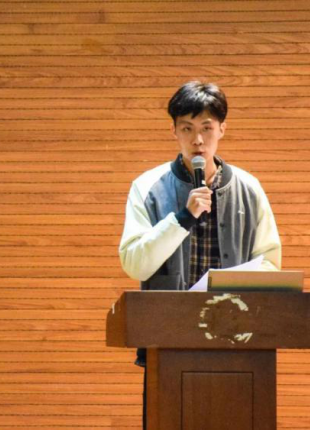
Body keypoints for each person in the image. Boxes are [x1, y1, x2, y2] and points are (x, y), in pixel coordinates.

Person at [118, 81, 281, 428]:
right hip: (169, 342)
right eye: (187, 129)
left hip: (235, 341)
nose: (198, 140)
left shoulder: (249, 189)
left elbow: (269, 261)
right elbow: (135, 263)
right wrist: (182, 218)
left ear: (222, 129)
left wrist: (227, 290)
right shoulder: (147, 187)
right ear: (174, 131)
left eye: (207, 128)